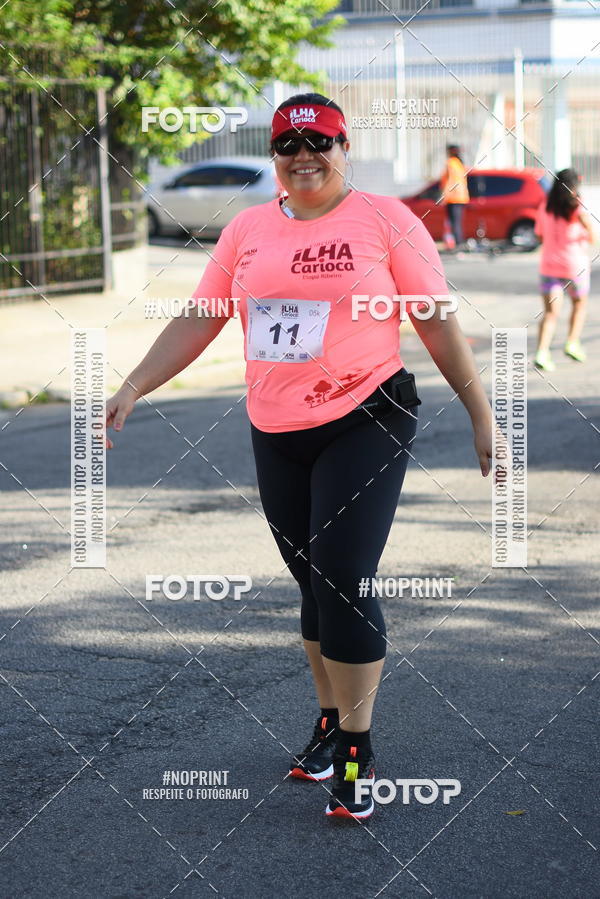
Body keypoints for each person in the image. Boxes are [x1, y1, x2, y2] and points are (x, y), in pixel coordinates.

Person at [105, 93, 494, 821]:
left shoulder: (386, 220)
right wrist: (132, 384)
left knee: (343, 577)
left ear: (345, 146)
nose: (303, 156)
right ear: (274, 157)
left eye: (320, 142)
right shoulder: (248, 228)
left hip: (369, 413)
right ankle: (327, 719)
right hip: (276, 425)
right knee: (312, 584)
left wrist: (482, 414)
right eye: (288, 145)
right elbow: (202, 316)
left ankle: (357, 747)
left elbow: (437, 321)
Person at [533, 168, 596, 371]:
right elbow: (593, 237)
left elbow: (539, 235)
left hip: (549, 267)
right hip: (574, 267)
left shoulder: (544, 206)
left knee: (551, 313)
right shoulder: (577, 208)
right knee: (579, 304)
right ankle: (572, 342)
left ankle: (542, 352)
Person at [440, 144, 470, 251]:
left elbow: (449, 181)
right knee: (458, 222)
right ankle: (459, 242)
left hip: (453, 197)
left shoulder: (451, 163)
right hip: (462, 197)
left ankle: (458, 244)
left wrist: (444, 196)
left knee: (454, 222)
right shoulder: (460, 163)